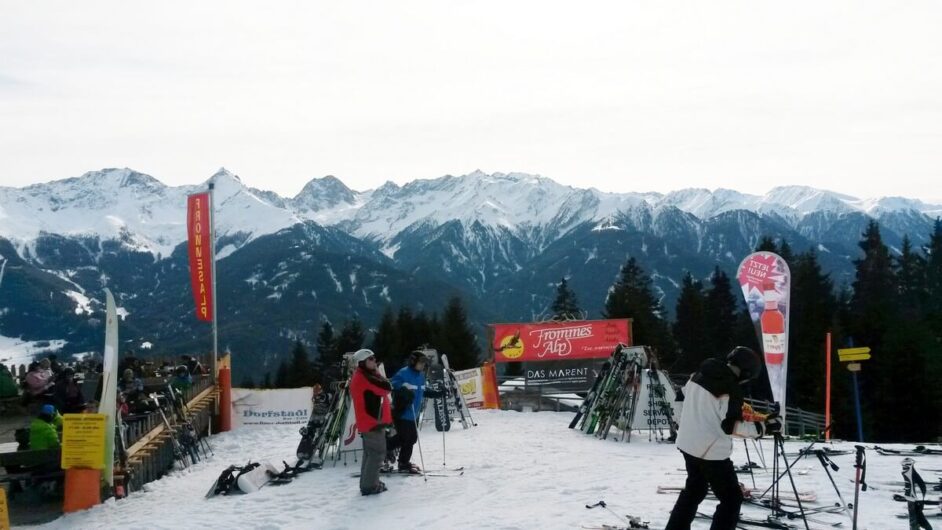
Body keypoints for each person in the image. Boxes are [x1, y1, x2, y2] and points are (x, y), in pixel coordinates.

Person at [665, 346, 782, 530]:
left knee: (694, 490)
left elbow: (680, 396)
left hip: (687, 445)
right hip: (711, 454)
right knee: (731, 498)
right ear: (745, 372)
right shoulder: (730, 388)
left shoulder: (698, 374)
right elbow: (732, 427)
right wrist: (764, 427)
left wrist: (683, 423)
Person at [386, 350, 443, 473]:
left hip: (413, 413)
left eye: (424, 363)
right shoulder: (404, 373)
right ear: (413, 362)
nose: (423, 365)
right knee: (408, 438)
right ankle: (400, 460)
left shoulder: (421, 376)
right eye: (421, 362)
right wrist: (402, 391)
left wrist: (438, 393)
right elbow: (392, 384)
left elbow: (423, 391)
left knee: (409, 438)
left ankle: (389, 449)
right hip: (402, 411)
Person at [349, 348, 392, 496]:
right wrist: (378, 374)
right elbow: (386, 387)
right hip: (372, 422)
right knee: (377, 454)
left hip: (371, 421)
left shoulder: (365, 375)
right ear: (362, 363)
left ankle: (368, 483)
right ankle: (369, 486)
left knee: (370, 454)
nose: (374, 361)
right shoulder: (364, 377)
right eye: (370, 359)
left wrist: (376, 371)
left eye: (374, 358)